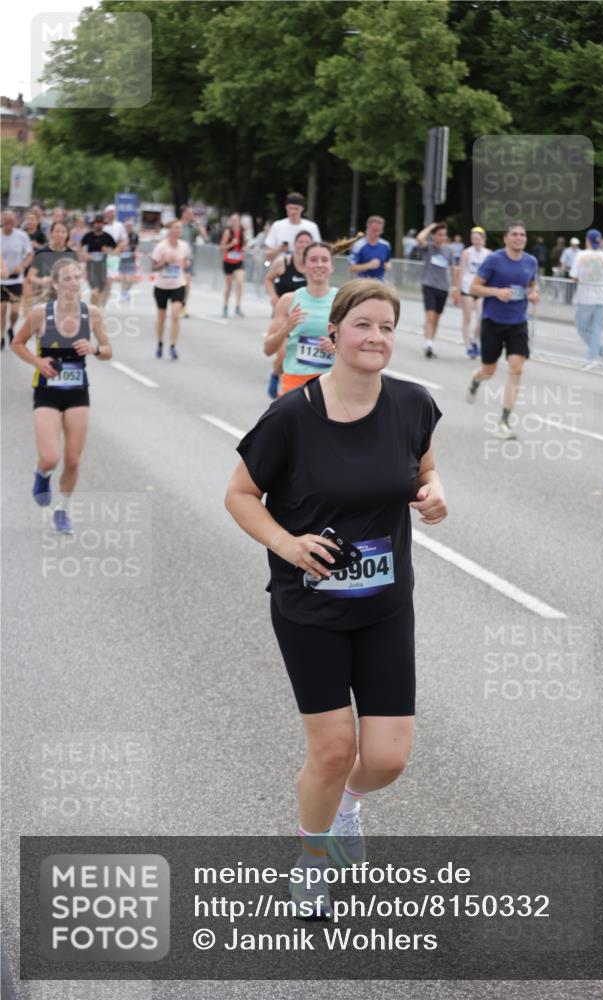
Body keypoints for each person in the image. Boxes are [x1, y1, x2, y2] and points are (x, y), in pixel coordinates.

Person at [225, 278, 447, 920]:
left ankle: (348, 806)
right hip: (311, 608)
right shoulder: (291, 417)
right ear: (334, 334)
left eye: (387, 327)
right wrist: (286, 543)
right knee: (331, 750)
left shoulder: (412, 403)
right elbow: (240, 495)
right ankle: (312, 859)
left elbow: (425, 470)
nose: (376, 337)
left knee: (387, 759)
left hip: (385, 605)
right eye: (363, 325)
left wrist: (436, 493)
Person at [11, 257, 112, 534]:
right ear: (55, 284)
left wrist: (95, 349)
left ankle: (62, 511)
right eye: (67, 278)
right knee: (50, 458)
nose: (73, 283)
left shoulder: (92, 313)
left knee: (73, 460)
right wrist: (37, 362)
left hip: (78, 393)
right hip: (47, 392)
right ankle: (42, 474)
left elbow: (108, 350)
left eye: (77, 277)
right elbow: (17, 343)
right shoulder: (40, 314)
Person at [466, 221, 539, 440]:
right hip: (493, 321)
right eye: (515, 234)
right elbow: (473, 287)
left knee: (516, 369)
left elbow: (532, 284)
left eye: (522, 235)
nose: (519, 238)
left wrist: (534, 293)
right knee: (489, 370)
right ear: (506, 238)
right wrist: (496, 292)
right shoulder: (494, 260)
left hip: (518, 322)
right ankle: (477, 378)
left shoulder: (531, 261)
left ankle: (504, 422)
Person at [263, 241, 340, 396]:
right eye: (313, 260)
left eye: (324, 260)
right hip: (296, 384)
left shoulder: (343, 299)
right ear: (303, 266)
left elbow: (357, 346)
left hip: (332, 383)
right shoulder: (288, 300)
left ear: (331, 266)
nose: (319, 264)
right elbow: (268, 349)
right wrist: (287, 327)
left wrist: (336, 347)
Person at [264, 230, 313, 399]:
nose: (303, 245)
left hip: (305, 317)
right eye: (300, 241)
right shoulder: (283, 262)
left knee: (297, 354)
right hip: (284, 312)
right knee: (283, 355)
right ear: (295, 244)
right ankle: (275, 374)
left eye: (307, 242)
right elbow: (268, 279)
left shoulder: (312, 267)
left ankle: (295, 386)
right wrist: (273, 296)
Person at [570, 228, 603, 370]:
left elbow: (574, 277)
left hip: (585, 297)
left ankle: (593, 357)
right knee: (596, 329)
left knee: (582, 328)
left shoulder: (581, 256)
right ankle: (600, 353)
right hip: (601, 297)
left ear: (587, 241)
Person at [415, 221, 457, 358]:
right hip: (429, 285)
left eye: (444, 235)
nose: (442, 237)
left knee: (436, 318)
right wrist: (431, 227)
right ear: (433, 236)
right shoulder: (428, 247)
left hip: (443, 288)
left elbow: (453, 268)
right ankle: (428, 344)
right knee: (430, 316)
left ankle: (430, 342)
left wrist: (455, 287)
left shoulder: (449, 250)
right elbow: (419, 238)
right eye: (439, 234)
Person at [150, 219, 190, 360]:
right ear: (169, 230)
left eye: (179, 228)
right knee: (161, 317)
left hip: (178, 284)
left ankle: (173, 346)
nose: (178, 230)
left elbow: (186, 261)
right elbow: (153, 267)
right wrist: (165, 262)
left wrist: (185, 264)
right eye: (175, 228)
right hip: (162, 285)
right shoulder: (161, 246)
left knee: (175, 314)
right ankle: (160, 343)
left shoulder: (184, 246)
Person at [457, 226, 492, 359]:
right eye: (474, 239)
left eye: (478, 239)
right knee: (467, 318)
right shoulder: (466, 252)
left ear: (483, 239)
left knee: (482, 317)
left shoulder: (488, 254)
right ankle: (468, 347)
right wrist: (459, 289)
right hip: (467, 287)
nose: (476, 241)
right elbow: (461, 271)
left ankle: (474, 338)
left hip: (481, 288)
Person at [1, 211, 33, 350]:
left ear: (15, 221)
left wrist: (23, 266)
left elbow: (30, 254)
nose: (9, 224)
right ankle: (1, 336)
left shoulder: (21, 236)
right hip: (1, 280)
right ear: (2, 220)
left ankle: (11, 328)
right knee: (1, 310)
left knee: (14, 311)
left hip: (16, 280)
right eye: (6, 221)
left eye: (12, 221)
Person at [28, 221, 77, 305]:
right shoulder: (41, 253)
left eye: (63, 232)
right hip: (44, 297)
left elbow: (77, 277)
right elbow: (31, 277)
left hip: (66, 298)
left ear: (67, 235)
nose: (60, 234)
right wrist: (42, 281)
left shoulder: (72, 254)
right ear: (51, 233)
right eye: (57, 231)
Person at [265, 193, 321, 262]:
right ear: (286, 208)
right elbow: (267, 256)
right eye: (290, 208)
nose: (293, 212)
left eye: (296, 209)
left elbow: (318, 252)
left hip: (304, 266)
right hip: (281, 266)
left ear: (302, 208)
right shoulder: (277, 226)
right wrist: (279, 250)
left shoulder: (312, 227)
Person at [80, 214, 116, 308]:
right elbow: (80, 246)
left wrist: (108, 250)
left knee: (100, 291)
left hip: (103, 267)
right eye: (96, 222)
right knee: (95, 290)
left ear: (103, 224)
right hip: (91, 267)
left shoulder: (107, 237)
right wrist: (84, 255)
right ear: (93, 224)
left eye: (100, 223)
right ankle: (93, 310)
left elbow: (116, 250)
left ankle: (97, 309)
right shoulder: (88, 236)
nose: (98, 224)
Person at [179, 205, 208, 316]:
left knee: (187, 282)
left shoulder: (192, 227)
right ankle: (176, 303)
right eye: (190, 213)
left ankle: (183, 306)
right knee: (177, 283)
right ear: (184, 214)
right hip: (176, 259)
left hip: (188, 259)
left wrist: (197, 222)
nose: (192, 215)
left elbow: (205, 237)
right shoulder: (177, 226)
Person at [348, 216, 392, 282]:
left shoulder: (386, 245)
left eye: (378, 230)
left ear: (382, 230)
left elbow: (388, 261)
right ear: (367, 228)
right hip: (362, 282)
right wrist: (369, 265)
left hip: (380, 283)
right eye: (373, 230)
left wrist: (388, 266)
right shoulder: (358, 245)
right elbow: (351, 268)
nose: (376, 233)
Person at [220, 212, 247, 318]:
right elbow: (221, 247)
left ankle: (238, 306)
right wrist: (231, 244)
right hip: (228, 261)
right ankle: (225, 306)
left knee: (240, 282)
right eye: (232, 220)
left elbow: (245, 244)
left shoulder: (242, 232)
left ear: (239, 221)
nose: (234, 222)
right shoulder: (228, 232)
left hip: (238, 261)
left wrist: (244, 247)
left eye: (236, 220)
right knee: (229, 286)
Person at [118, 219, 140, 302]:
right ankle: (124, 293)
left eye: (130, 226)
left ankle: (126, 291)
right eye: (127, 226)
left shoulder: (135, 235)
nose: (129, 227)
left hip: (131, 258)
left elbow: (137, 246)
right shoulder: (121, 235)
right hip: (122, 258)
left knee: (130, 278)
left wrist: (136, 253)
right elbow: (118, 246)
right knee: (124, 278)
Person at [559, 237, 580, 305]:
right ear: (571, 244)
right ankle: (567, 299)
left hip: (576, 270)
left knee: (575, 286)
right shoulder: (567, 251)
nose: (575, 245)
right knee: (568, 285)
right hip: (568, 269)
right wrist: (562, 268)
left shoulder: (580, 251)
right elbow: (563, 261)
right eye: (574, 244)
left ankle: (572, 298)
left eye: (576, 244)